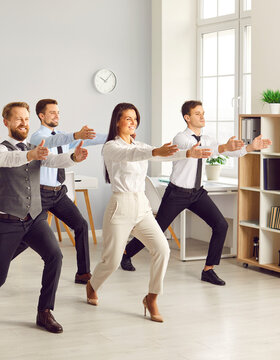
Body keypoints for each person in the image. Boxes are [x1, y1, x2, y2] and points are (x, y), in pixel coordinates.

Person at [0, 102, 88, 334]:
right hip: (7, 223)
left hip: (34, 219)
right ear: (7, 122)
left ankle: (44, 312)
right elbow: (7, 161)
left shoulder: (36, 146)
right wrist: (29, 154)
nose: (24, 123)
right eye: (18, 119)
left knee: (55, 257)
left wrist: (74, 157)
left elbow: (52, 161)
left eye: (26, 119)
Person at [120, 100, 272, 286]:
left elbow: (225, 152)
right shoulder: (180, 138)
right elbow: (202, 151)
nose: (202, 116)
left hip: (197, 193)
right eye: (198, 113)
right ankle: (126, 253)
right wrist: (223, 147)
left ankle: (209, 270)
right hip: (177, 193)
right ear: (187, 117)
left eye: (203, 113)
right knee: (157, 229)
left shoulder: (207, 138)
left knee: (221, 225)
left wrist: (249, 147)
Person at [86, 103, 211, 322]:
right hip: (120, 206)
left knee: (162, 250)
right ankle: (92, 285)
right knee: (112, 261)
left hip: (141, 206)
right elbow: (133, 154)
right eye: (127, 118)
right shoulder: (111, 147)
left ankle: (151, 298)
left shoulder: (141, 145)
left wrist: (188, 153)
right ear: (117, 122)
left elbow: (161, 156)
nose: (133, 122)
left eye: (135, 118)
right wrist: (154, 151)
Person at [22, 98, 107, 284]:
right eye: (52, 112)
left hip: (58, 193)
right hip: (40, 194)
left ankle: (83, 273)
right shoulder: (37, 137)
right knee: (25, 239)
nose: (56, 115)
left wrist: (113, 136)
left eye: (58, 112)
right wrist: (75, 135)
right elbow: (54, 141)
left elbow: (86, 139)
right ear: (41, 116)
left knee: (81, 225)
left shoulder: (62, 136)